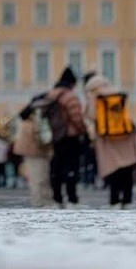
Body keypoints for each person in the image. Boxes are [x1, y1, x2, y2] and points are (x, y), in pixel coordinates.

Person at [83, 74, 136, 209]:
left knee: (114, 169)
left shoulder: (94, 96)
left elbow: (91, 116)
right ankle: (127, 201)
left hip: (108, 138)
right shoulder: (118, 93)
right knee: (127, 169)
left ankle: (114, 201)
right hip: (125, 135)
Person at [47, 67, 86, 207]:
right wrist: (83, 131)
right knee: (71, 168)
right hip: (70, 137)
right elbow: (76, 117)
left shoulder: (51, 95)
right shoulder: (70, 96)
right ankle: (72, 199)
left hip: (55, 136)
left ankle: (57, 199)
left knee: (56, 168)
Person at [12, 93, 52, 207]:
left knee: (40, 177)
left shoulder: (31, 115)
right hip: (35, 150)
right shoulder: (36, 116)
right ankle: (40, 202)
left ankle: (42, 201)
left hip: (33, 150)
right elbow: (39, 135)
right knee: (39, 178)